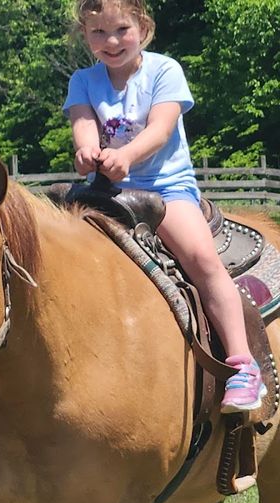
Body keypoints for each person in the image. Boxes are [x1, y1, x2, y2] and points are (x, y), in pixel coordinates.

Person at [63, 0, 266, 413]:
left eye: (121, 29)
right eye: (98, 32)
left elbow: (160, 129)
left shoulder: (164, 70)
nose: (112, 41)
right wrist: (87, 151)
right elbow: (83, 124)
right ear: (85, 34)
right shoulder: (83, 80)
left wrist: (127, 157)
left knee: (201, 261)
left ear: (143, 25)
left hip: (165, 188)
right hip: (104, 188)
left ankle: (244, 364)